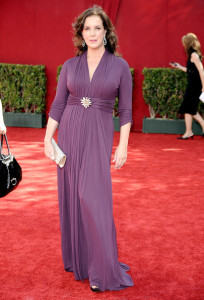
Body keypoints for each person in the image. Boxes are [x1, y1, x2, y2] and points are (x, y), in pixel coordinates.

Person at [44, 6, 133, 292]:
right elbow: (58, 104)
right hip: (69, 135)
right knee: (73, 196)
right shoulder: (70, 65)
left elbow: (127, 111)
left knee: (91, 198)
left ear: (106, 32)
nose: (92, 33)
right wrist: (48, 139)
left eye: (97, 28)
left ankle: (100, 269)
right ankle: (81, 259)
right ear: (81, 34)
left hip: (98, 136)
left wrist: (123, 146)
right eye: (87, 28)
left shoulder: (120, 66)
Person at [170, 33, 204, 139]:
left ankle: (199, 127)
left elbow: (201, 71)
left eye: (185, 42)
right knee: (188, 108)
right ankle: (188, 132)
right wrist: (179, 66)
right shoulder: (192, 55)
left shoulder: (194, 55)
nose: (183, 45)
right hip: (192, 85)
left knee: (190, 109)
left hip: (196, 86)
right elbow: (191, 71)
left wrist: (203, 86)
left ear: (188, 43)